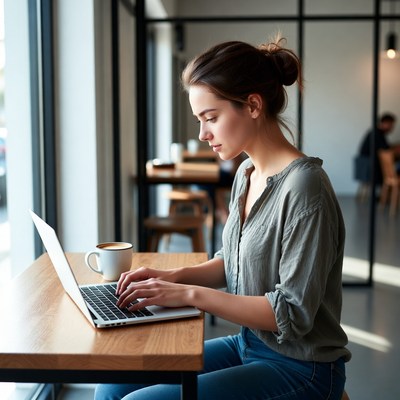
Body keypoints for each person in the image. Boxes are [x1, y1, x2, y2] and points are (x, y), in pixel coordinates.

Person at [95, 36, 351, 400]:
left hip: (302, 366)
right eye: (201, 120)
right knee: (112, 386)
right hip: (250, 345)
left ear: (252, 105)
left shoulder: (306, 188)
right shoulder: (246, 174)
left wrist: (188, 294)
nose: (203, 134)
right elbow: (231, 261)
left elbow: (292, 314)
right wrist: (168, 279)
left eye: (211, 118)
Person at [358, 113, 400, 184]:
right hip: (370, 168)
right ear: (384, 123)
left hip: (366, 166)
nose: (392, 128)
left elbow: (385, 147)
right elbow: (386, 150)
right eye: (391, 125)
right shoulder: (377, 134)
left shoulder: (376, 133)